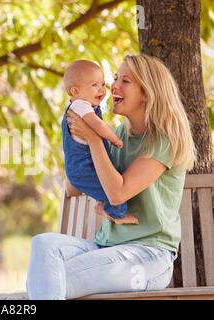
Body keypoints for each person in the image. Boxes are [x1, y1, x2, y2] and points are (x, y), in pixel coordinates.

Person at [26, 54, 196, 300]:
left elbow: (117, 193)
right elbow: (73, 187)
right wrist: (78, 139)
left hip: (148, 256)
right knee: (42, 245)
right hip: (105, 246)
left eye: (125, 81)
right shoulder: (118, 135)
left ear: (147, 93)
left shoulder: (163, 142)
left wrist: (94, 138)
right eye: (115, 78)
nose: (112, 86)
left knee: (51, 279)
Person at [62, 60, 138, 225]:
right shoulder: (81, 106)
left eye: (102, 84)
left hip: (81, 168)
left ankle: (107, 208)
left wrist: (93, 137)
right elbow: (98, 125)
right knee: (110, 194)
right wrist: (113, 139)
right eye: (94, 85)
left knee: (109, 188)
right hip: (83, 167)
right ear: (75, 91)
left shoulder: (79, 107)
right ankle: (115, 213)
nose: (103, 90)